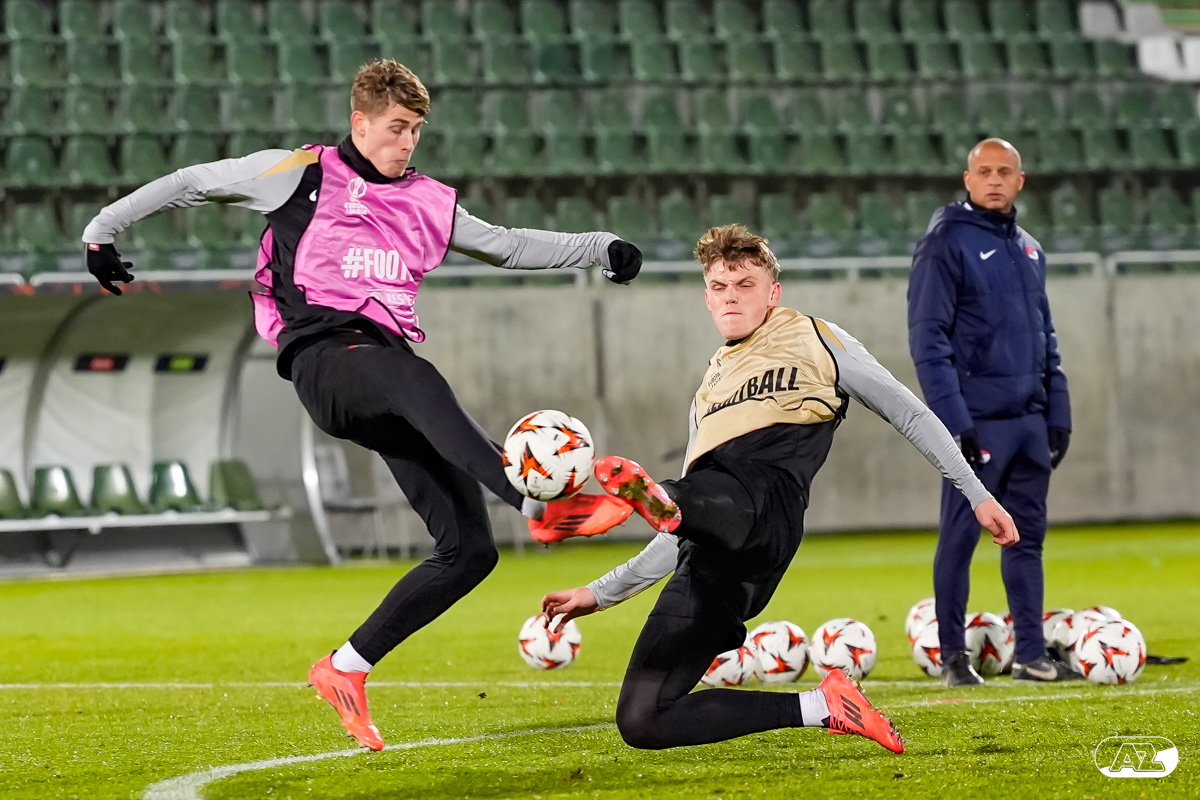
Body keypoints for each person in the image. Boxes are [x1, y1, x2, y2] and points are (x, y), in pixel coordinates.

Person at [81, 59, 639, 750]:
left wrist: (600, 247)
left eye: (416, 130)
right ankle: (539, 504)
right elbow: (192, 181)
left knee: (469, 552)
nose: (407, 142)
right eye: (396, 128)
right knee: (417, 378)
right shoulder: (299, 174)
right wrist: (102, 231)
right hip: (323, 360)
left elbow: (509, 246)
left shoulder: (428, 200)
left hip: (382, 377)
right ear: (361, 122)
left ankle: (345, 666)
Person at [535, 224, 1019, 753]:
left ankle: (632, 500)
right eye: (719, 287)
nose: (731, 296)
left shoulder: (814, 337)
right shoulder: (707, 392)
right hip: (714, 545)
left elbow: (909, 412)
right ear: (706, 297)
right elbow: (682, 529)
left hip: (767, 504)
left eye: (745, 284)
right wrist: (597, 594)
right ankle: (823, 706)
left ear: (773, 293)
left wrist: (976, 493)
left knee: (695, 497)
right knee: (642, 718)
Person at [907, 138, 1078, 687]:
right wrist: (953, 421)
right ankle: (953, 658)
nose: (995, 179)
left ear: (1020, 181)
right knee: (960, 539)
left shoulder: (1029, 249)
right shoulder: (945, 241)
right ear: (968, 179)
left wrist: (1058, 410)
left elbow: (1046, 337)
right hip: (976, 422)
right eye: (985, 171)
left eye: (1005, 171)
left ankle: (1031, 656)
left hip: (1029, 423)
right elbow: (927, 339)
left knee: (1027, 541)